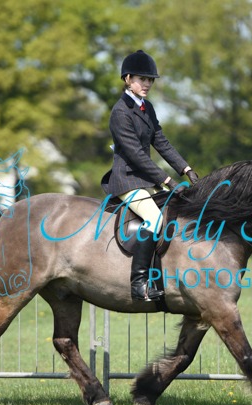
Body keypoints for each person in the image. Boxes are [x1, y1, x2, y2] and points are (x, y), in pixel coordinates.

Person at [101, 50, 199, 302]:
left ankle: (166, 275)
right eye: (142, 79)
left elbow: (161, 142)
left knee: (176, 211)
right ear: (127, 79)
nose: (147, 84)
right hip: (126, 179)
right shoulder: (120, 112)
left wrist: (186, 169)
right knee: (154, 220)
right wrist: (168, 181)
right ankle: (139, 283)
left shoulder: (147, 108)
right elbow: (135, 155)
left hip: (145, 179)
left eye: (150, 80)